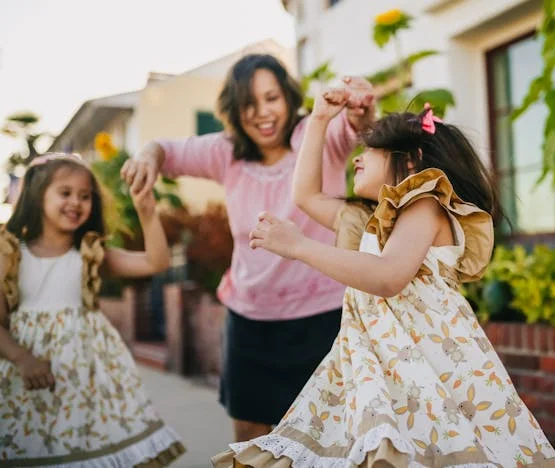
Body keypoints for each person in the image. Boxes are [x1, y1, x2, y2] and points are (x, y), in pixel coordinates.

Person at [213, 91, 555, 467]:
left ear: (411, 162)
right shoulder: (364, 218)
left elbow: (388, 276)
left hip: (429, 366)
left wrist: (299, 246)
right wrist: (318, 121)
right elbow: (305, 194)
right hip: (376, 364)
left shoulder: (425, 204)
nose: (358, 158)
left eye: (371, 151)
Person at [120, 54, 375, 442]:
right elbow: (164, 150)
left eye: (271, 98)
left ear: (289, 97)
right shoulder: (226, 152)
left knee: (330, 440)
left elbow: (357, 127)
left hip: (327, 319)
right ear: (235, 112)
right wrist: (147, 156)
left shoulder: (317, 133)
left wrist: (361, 108)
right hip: (250, 323)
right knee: (250, 441)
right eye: (248, 104)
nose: (262, 113)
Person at [0, 153, 185, 467]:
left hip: (85, 387)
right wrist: (22, 359)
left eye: (85, 196)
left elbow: (155, 262)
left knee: (83, 453)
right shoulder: (11, 255)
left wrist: (147, 212)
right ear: (37, 197)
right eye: (65, 193)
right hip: (24, 378)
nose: (76, 202)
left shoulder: (91, 253)